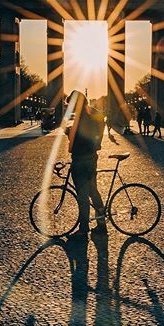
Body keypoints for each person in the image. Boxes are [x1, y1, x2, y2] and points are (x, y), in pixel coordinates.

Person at [67, 92, 106, 236]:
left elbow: (80, 138)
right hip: (91, 156)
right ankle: (101, 224)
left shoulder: (81, 117)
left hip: (81, 159)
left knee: (82, 196)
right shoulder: (94, 114)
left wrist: (69, 132)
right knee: (93, 192)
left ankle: (83, 229)